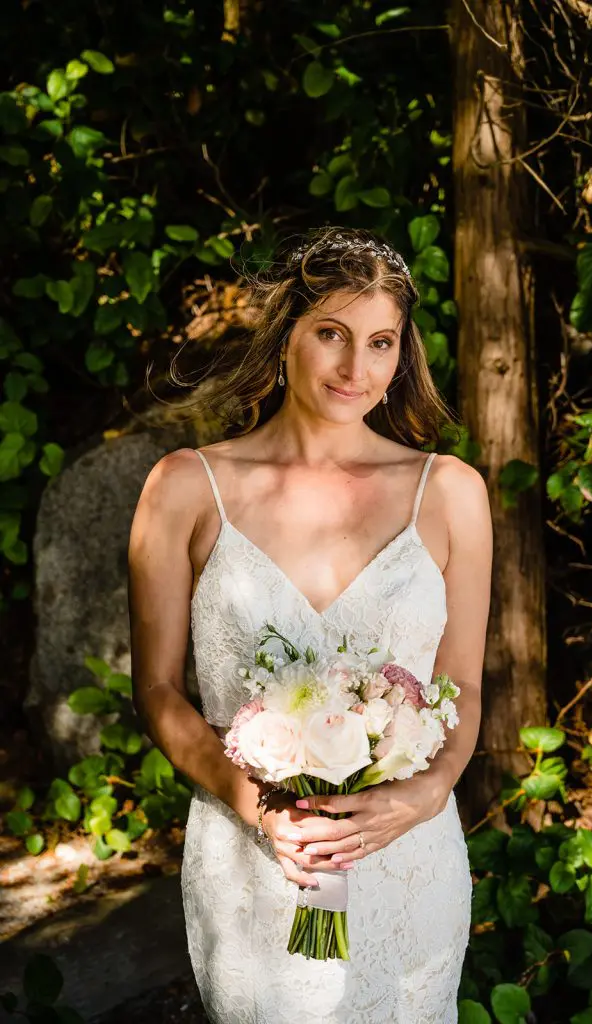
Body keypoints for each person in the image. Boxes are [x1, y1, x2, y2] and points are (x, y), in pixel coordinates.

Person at [128, 225, 492, 1023]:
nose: (356, 367)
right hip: (254, 857)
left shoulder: (451, 492)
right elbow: (155, 689)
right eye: (331, 333)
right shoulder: (185, 489)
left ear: (403, 357)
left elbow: (459, 686)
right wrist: (256, 802)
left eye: (381, 342)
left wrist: (424, 794)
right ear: (285, 333)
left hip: (406, 854)